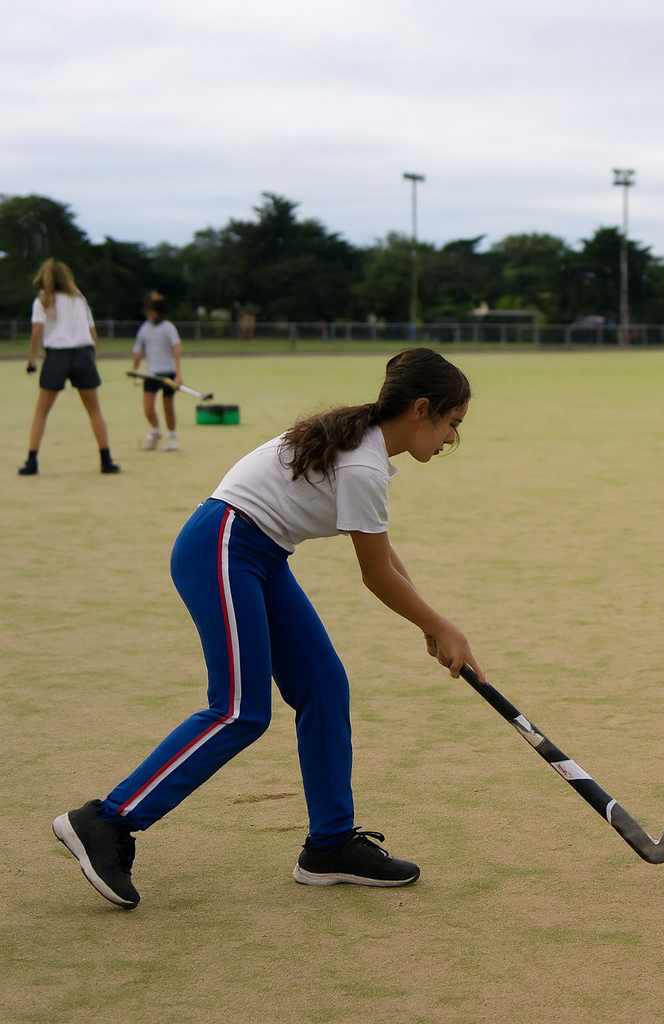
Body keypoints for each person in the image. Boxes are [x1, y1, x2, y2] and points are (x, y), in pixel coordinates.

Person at [52, 348, 482, 909]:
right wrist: (439, 624)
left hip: (257, 556)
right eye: (453, 424)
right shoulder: (363, 463)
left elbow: (384, 553)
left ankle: (329, 846)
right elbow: (375, 575)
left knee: (323, 687)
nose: (452, 438)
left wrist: (432, 622)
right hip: (223, 548)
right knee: (239, 709)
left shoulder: (366, 447)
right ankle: (108, 820)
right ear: (422, 408)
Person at [19, 258, 119, 475]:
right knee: (94, 410)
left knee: (42, 411)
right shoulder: (79, 300)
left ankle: (31, 460)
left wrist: (31, 359)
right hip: (83, 354)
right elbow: (92, 332)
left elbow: (37, 331)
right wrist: (95, 356)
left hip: (57, 356)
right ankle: (106, 459)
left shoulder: (43, 300)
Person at [131, 293, 184, 451]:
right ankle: (155, 431)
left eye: (153, 310)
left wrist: (178, 374)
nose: (150, 314)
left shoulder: (168, 328)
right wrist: (135, 369)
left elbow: (176, 350)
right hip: (151, 373)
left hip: (168, 372)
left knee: (168, 407)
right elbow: (138, 350)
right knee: (148, 408)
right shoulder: (145, 328)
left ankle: (172, 437)